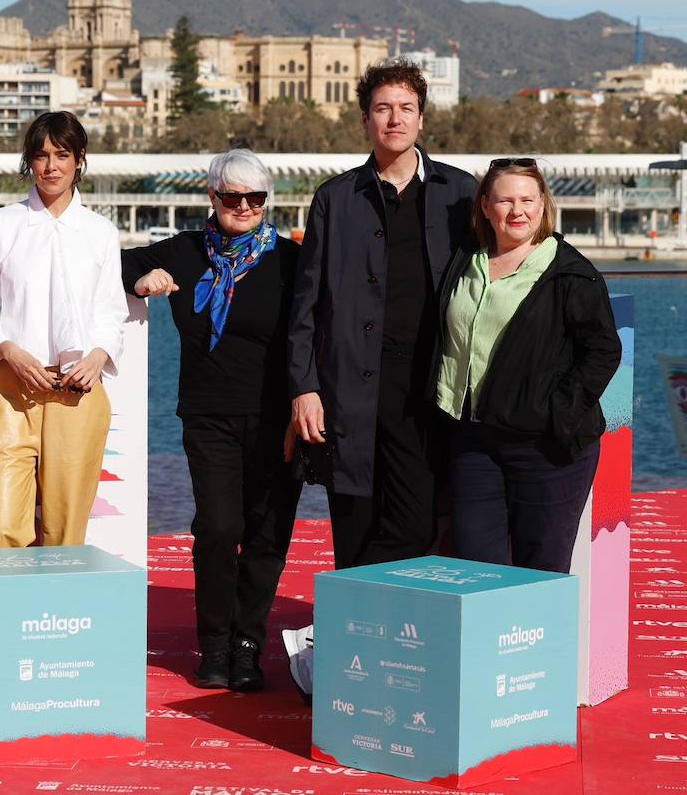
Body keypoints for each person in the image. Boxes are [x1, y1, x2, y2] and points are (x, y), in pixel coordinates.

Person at [122, 149, 302, 692]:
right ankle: (216, 644)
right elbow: (115, 263)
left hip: (279, 417)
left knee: (268, 534)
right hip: (209, 415)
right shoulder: (184, 251)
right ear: (212, 197)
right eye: (232, 197)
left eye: (255, 198)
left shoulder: (291, 261)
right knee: (220, 529)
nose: (244, 206)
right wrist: (144, 278)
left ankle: (249, 646)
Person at [287, 57, 477, 570]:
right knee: (354, 522)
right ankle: (354, 633)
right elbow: (307, 302)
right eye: (382, 108)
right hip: (350, 388)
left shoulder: (460, 194)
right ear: (365, 119)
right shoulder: (335, 198)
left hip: (429, 387)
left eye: (406, 108)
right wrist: (304, 388)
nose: (395, 118)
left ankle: (396, 632)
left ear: (422, 119)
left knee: (419, 522)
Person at [433, 158, 621, 573]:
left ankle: (544, 641)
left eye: (527, 200)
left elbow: (603, 350)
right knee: (476, 569)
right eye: (505, 200)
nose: (517, 211)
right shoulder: (466, 264)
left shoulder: (570, 273)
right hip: (473, 443)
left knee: (541, 571)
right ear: (485, 206)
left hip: (544, 448)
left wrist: (555, 413)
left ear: (542, 205)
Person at [0, 111, 127, 549]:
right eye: (41, 155)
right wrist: (10, 352)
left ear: (79, 160)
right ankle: (1, 618)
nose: (51, 166)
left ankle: (57, 618)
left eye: (62, 155)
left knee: (66, 531)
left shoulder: (101, 232)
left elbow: (111, 312)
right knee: (1, 529)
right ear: (29, 162)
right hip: (11, 387)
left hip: (79, 391)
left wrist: (96, 357)